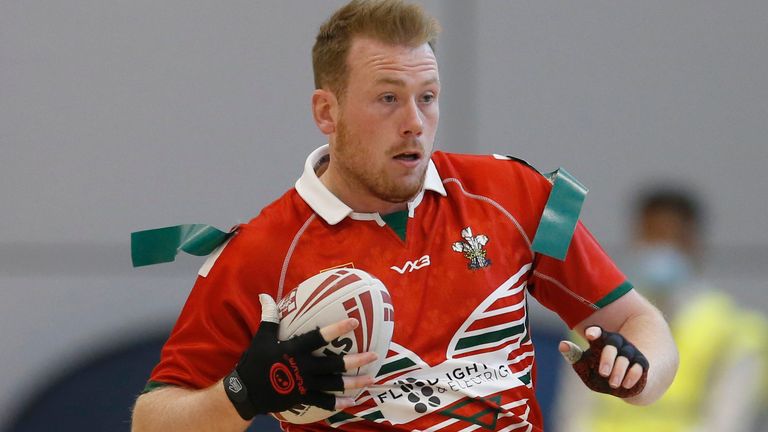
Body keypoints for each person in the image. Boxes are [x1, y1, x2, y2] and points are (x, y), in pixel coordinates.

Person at [130, 1, 678, 431]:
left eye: (428, 97)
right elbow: (152, 422)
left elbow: (641, 326)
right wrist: (245, 392)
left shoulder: (515, 194)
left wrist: (637, 371)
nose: (415, 122)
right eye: (388, 99)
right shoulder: (260, 252)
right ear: (328, 111)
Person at [554, 187, 768, 432]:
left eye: (671, 236)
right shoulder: (596, 322)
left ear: (693, 243)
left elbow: (727, 422)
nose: (659, 247)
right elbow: (574, 416)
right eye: (650, 236)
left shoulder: (737, 328)